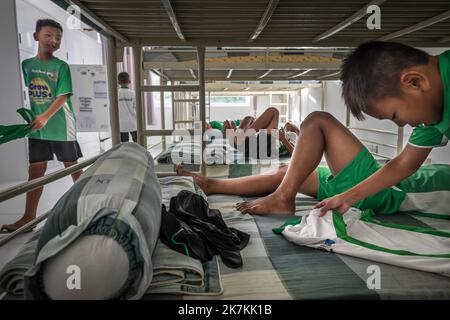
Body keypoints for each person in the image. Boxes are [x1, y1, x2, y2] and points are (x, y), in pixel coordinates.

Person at [177, 42, 450, 218]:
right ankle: (213, 184)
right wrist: (346, 196)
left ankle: (283, 198)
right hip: (375, 184)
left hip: (389, 192)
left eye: (394, 115)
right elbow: (403, 163)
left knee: (318, 120)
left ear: (414, 82)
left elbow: (402, 168)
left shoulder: (429, 115)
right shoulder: (432, 118)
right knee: (287, 173)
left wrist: (349, 195)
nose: (401, 124)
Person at [1, 19, 83, 233]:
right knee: (35, 170)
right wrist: (36, 118)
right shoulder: (26, 65)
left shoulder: (60, 66)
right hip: (37, 127)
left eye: (58, 38)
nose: (53, 41)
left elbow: (63, 96)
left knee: (73, 168)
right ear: (36, 36)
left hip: (62, 125)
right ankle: (28, 218)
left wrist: (46, 116)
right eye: (48, 35)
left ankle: (89, 209)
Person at [117, 72, 137, 143]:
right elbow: (136, 107)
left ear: (118, 82)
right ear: (129, 82)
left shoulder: (116, 93)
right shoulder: (133, 93)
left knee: (125, 144)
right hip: (133, 122)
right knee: (138, 143)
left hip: (122, 124)